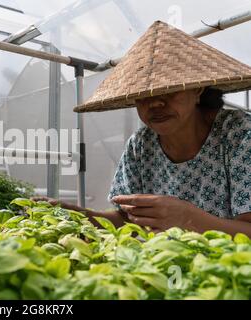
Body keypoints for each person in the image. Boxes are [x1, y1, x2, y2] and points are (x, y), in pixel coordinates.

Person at [34, 21, 251, 237]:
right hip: (170, 264)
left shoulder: (240, 135)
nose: (155, 104)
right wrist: (79, 216)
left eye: (170, 90)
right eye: (143, 95)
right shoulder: (141, 145)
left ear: (198, 89)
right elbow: (129, 220)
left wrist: (187, 218)